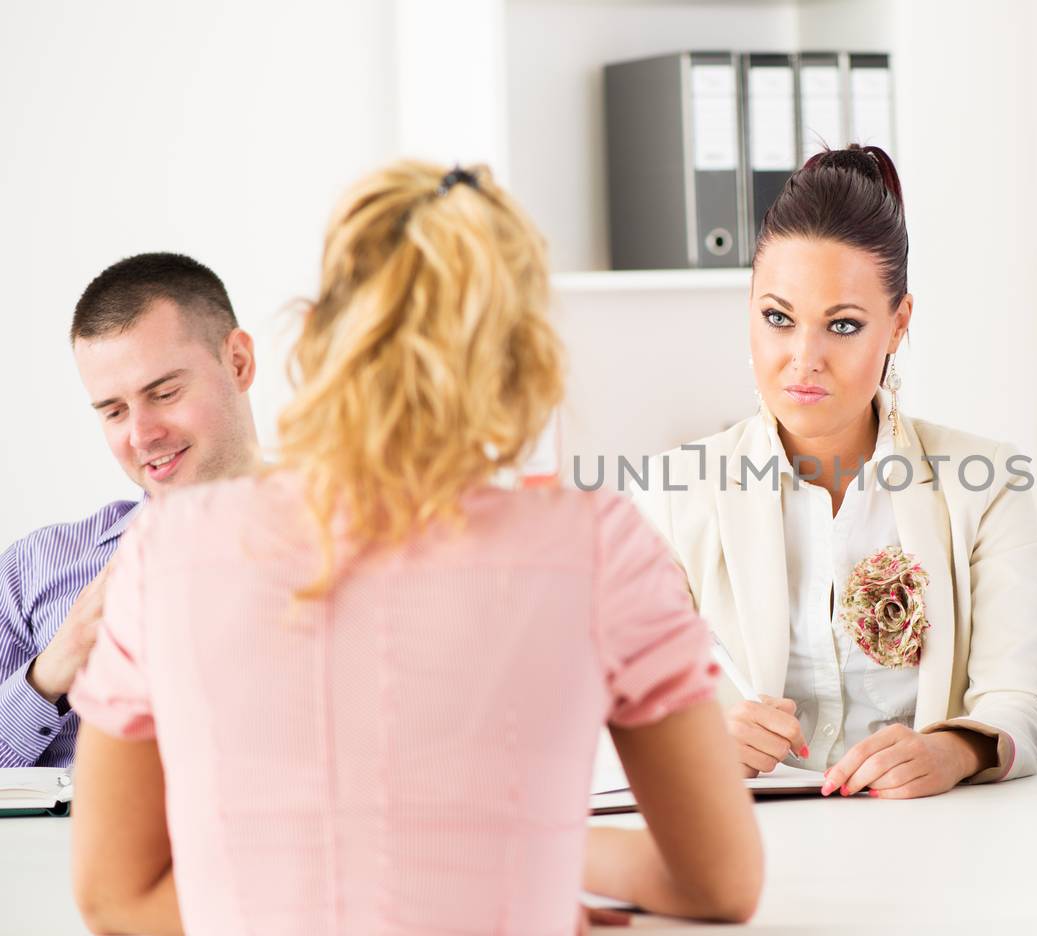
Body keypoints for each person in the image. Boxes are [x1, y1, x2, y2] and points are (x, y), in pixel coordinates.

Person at [68, 161, 762, 934]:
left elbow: (114, 898)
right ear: (523, 352)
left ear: (323, 333)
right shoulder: (600, 547)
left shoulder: (165, 552)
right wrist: (520, 866)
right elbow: (718, 884)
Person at [634, 145, 1037, 800]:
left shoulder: (986, 483)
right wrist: (700, 740)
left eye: (843, 325)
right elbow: (632, 711)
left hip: (935, 840)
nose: (803, 360)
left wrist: (950, 751)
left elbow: (1025, 707)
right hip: (751, 846)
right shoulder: (669, 496)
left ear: (898, 325)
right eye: (778, 318)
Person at [0, 252, 259, 767]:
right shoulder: (33, 571)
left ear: (238, 363)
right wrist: (56, 664)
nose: (141, 435)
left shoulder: (353, 544)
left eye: (163, 393)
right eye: (114, 411)